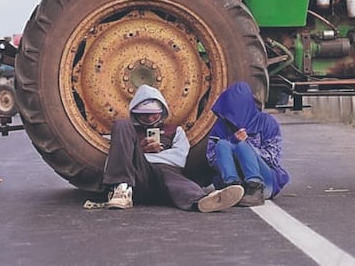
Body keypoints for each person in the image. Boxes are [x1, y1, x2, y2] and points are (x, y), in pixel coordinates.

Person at [102, 84, 244, 212]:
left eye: (153, 113)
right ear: (136, 113)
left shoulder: (175, 131)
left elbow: (179, 158)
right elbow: (113, 158)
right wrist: (139, 150)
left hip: (165, 175)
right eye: (144, 114)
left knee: (173, 179)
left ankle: (202, 200)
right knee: (121, 124)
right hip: (137, 177)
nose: (150, 118)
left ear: (162, 111)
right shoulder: (128, 131)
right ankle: (121, 190)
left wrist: (156, 153)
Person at [205, 81, 290, 207]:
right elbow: (211, 159)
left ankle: (255, 187)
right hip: (235, 183)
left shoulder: (266, 122)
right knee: (222, 144)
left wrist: (247, 144)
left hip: (265, 183)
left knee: (242, 147)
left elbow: (273, 158)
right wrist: (231, 144)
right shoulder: (221, 125)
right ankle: (232, 187)